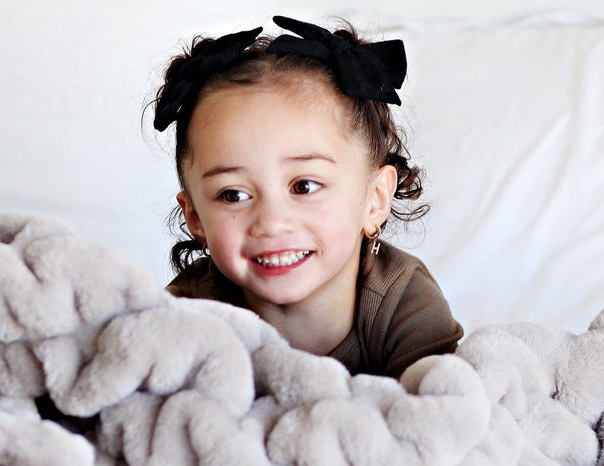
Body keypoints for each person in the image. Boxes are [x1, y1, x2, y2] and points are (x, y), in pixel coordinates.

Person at [152, 15, 462, 379]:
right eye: (233, 194)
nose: (271, 222)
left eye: (304, 186)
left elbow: (440, 416)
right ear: (196, 219)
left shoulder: (404, 306)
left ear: (375, 199)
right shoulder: (185, 314)